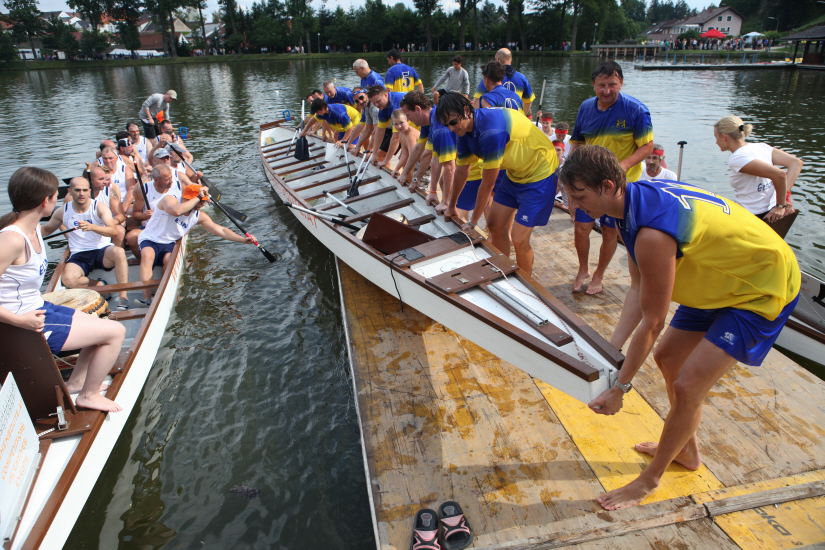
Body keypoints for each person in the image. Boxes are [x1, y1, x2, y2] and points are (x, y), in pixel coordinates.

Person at [559, 145, 800, 511]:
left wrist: (620, 387)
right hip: (720, 276)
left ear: (608, 186)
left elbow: (653, 321)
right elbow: (638, 289)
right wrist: (609, 350)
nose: (574, 206)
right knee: (668, 359)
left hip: (762, 285)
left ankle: (649, 480)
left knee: (688, 386)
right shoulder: (628, 205)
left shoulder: (652, 232)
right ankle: (685, 449)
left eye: (579, 197)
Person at [0, 167, 125, 413]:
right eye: (57, 195)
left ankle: (77, 383)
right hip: (22, 322)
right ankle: (88, 396)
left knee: (99, 321)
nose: (60, 199)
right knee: (116, 332)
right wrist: (20, 321)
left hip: (37, 307)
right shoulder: (12, 239)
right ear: (45, 201)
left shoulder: (34, 229)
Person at [437, 92, 559, 274]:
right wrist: (451, 206)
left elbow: (488, 183)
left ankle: (526, 282)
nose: (451, 128)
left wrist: (473, 221)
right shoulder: (463, 132)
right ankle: (504, 271)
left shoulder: (491, 133)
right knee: (495, 225)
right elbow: (461, 171)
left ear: (467, 111)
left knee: (519, 239)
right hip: (515, 173)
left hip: (540, 174)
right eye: (446, 125)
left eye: (453, 122)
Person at [569, 61, 653, 295]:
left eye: (612, 85)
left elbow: (647, 146)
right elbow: (577, 142)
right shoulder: (586, 108)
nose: (607, 91)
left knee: (610, 231)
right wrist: (571, 178)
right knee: (581, 227)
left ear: (621, 83)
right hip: (589, 180)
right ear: (593, 85)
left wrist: (622, 166)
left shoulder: (636, 110)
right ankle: (583, 269)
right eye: (602, 85)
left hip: (620, 184)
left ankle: (599, 274)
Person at [137, 182, 257, 304]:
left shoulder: (199, 216)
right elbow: (177, 211)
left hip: (169, 243)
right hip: (150, 238)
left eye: (203, 201)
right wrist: (199, 197)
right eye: (201, 202)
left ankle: (163, 295)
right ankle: (147, 298)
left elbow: (221, 230)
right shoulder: (169, 200)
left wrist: (242, 240)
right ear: (190, 199)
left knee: (169, 261)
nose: (203, 204)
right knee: (147, 255)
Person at [42, 177, 130, 309]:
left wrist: (92, 227)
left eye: (84, 190)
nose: (81, 194)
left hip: (102, 250)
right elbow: (46, 230)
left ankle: (123, 297)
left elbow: (113, 231)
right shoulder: (62, 211)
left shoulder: (99, 207)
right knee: (68, 279)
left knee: (119, 252)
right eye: (77, 190)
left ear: (89, 191)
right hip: (79, 253)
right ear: (70, 191)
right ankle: (99, 285)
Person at [713, 115, 802, 226]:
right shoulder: (761, 147)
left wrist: (780, 206)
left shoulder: (737, 158)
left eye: (716, 137)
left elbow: (779, 175)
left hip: (751, 217)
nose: (716, 142)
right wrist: (785, 198)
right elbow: (796, 163)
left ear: (724, 137)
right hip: (770, 213)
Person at [472, 48, 534, 117]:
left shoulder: (490, 78)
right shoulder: (522, 78)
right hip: (516, 117)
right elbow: (528, 101)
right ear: (511, 59)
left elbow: (476, 103)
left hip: (497, 118)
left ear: (498, 60)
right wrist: (522, 115)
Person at [367, 85, 407, 164]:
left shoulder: (395, 107)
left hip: (422, 125)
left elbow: (396, 138)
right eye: (374, 103)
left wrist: (386, 161)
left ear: (386, 94)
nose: (377, 105)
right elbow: (379, 131)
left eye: (378, 101)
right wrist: (374, 153)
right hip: (407, 124)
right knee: (380, 155)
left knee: (404, 159)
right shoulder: (382, 108)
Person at [352, 60, 385, 155]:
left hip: (376, 108)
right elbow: (361, 95)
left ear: (362, 68)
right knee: (365, 128)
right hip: (367, 107)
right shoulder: (363, 78)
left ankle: (371, 151)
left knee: (375, 129)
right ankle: (367, 150)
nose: (356, 74)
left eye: (356, 71)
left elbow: (383, 96)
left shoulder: (375, 79)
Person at [383, 110, 420, 178]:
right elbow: (405, 154)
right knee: (406, 171)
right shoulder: (401, 133)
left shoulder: (410, 134)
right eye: (396, 124)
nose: (399, 126)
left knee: (410, 174)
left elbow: (413, 156)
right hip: (416, 160)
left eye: (401, 123)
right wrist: (396, 169)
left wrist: (404, 173)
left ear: (407, 120)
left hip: (423, 162)